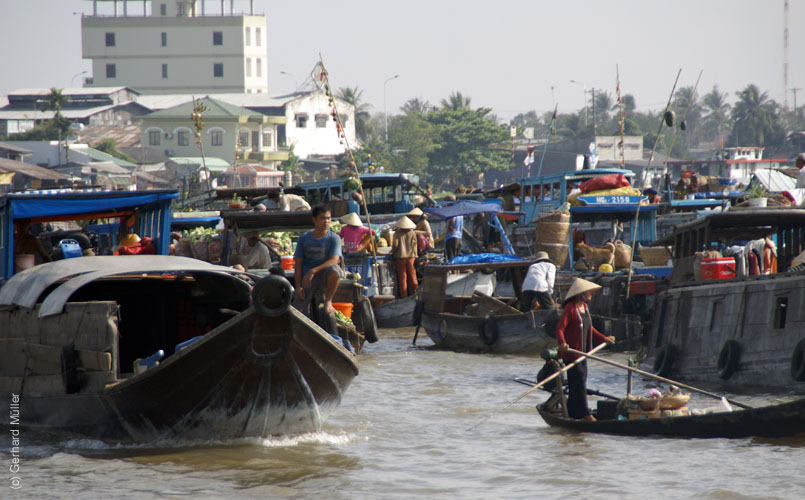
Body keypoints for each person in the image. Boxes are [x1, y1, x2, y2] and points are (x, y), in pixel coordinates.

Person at [555, 278, 615, 421]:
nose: (591, 295)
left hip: (582, 353)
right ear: (580, 294)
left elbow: (590, 329)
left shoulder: (585, 308)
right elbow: (560, 329)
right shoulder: (570, 308)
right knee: (580, 383)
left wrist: (604, 338)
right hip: (571, 354)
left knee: (578, 383)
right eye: (589, 293)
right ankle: (585, 414)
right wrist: (562, 343)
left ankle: (572, 412)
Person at [294, 204, 343, 314]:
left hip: (324, 277)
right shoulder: (304, 238)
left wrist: (314, 270)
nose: (326, 221)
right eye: (322, 218)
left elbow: (335, 260)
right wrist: (298, 287)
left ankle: (328, 301)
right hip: (307, 280)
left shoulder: (334, 238)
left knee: (335, 270)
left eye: (328, 218)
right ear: (314, 220)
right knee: (299, 313)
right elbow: (298, 263)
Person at [392, 216, 418, 298]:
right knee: (413, 276)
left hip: (400, 257)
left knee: (402, 277)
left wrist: (393, 252)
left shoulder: (397, 233)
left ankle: (404, 296)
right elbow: (414, 245)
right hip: (411, 257)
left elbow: (395, 245)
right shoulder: (412, 233)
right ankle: (414, 294)